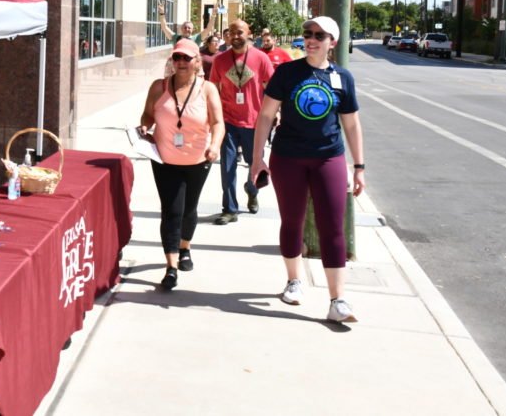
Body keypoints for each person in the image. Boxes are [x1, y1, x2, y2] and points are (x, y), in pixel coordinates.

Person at [250, 16, 366, 324]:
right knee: (292, 220)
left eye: (319, 35)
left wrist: (359, 167)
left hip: (329, 158)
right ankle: (294, 280)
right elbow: (265, 116)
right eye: (307, 34)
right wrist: (257, 157)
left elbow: (351, 124)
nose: (311, 39)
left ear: (333, 42)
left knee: (332, 227)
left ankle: (337, 300)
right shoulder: (287, 72)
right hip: (288, 157)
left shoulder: (342, 78)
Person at [138, 39, 223, 291]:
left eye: (187, 58)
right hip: (164, 160)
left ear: (197, 61)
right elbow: (147, 114)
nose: (181, 63)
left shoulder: (207, 89)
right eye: (177, 58)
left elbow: (218, 122)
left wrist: (215, 145)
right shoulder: (159, 87)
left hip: (198, 160)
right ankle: (171, 266)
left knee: (189, 209)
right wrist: (144, 126)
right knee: (171, 210)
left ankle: (185, 247)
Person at [208, 19, 274, 224]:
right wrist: (212, 118)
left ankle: (252, 190)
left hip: (254, 123)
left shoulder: (261, 58)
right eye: (232, 33)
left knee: (254, 163)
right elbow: (212, 90)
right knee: (227, 167)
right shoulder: (220, 60)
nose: (236, 36)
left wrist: (273, 115)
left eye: (240, 32)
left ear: (249, 33)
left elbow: (271, 89)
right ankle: (229, 209)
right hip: (227, 121)